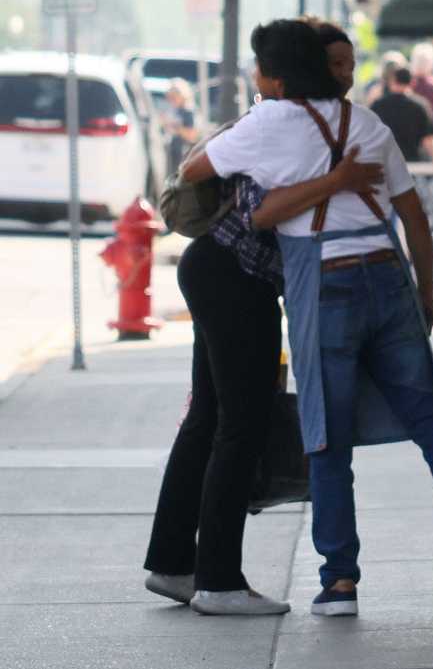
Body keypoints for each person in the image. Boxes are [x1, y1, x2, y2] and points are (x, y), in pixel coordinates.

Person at [177, 19, 433, 619]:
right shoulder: (370, 124)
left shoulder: (271, 122)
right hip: (387, 276)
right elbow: (416, 219)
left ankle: (340, 582)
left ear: (277, 74)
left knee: (325, 434)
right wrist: (425, 296)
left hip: (326, 284)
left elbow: (198, 175)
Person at [143, 74, 383, 617]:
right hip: (236, 279)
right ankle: (219, 580)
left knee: (208, 417)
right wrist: (339, 179)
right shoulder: (285, 128)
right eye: (337, 67)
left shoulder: (265, 120)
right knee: (240, 424)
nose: (346, 80)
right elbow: (261, 210)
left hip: (214, 270)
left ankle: (175, 563)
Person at [374, 67, 433, 163]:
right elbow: (428, 140)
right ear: (412, 82)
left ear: (392, 82)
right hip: (413, 165)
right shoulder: (420, 106)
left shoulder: (378, 106)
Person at [163, 79, 200, 176]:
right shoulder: (174, 110)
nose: (171, 100)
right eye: (169, 97)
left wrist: (176, 127)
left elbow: (192, 136)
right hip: (173, 153)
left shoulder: (189, 112)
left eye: (174, 97)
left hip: (184, 155)